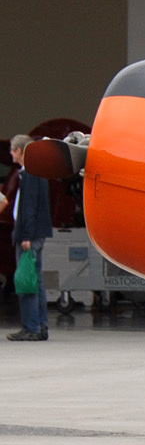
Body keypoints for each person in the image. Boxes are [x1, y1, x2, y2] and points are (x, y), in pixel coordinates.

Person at [7, 133, 51, 341]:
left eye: (12, 150)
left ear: (19, 151)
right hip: (36, 234)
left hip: (29, 236)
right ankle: (40, 325)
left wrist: (25, 236)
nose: (10, 154)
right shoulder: (37, 172)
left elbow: (29, 208)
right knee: (36, 280)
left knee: (26, 280)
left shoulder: (30, 173)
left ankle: (31, 326)